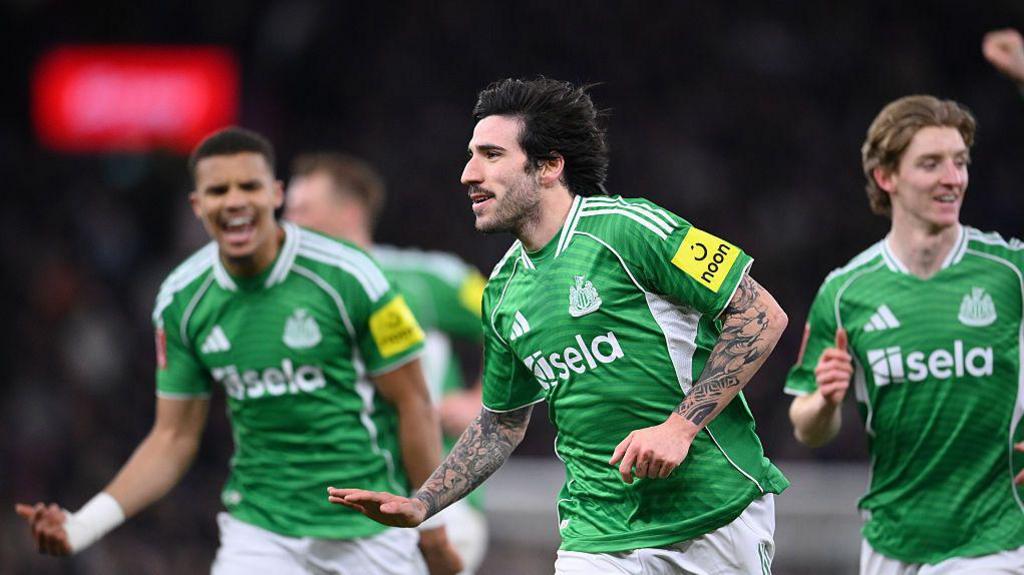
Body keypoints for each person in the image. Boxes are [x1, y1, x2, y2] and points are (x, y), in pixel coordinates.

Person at [328, 77, 790, 574]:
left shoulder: (630, 229)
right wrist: (424, 502)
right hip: (595, 532)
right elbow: (501, 420)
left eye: (491, 155)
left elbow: (761, 314)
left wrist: (678, 429)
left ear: (548, 166)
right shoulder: (503, 289)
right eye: (470, 155)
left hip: (711, 513)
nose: (467, 173)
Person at [14, 127, 462, 575]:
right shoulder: (182, 300)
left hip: (367, 528)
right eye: (218, 190)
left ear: (275, 194)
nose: (234, 201)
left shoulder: (351, 276)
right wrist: (84, 524)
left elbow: (413, 403)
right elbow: (172, 438)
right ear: (197, 205)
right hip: (260, 532)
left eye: (248, 186)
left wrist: (432, 530)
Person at [785, 95, 1024, 573]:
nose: (953, 179)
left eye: (960, 163)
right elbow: (806, 426)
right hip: (892, 542)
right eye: (931, 164)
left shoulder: (1009, 272)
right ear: (886, 177)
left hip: (994, 538)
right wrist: (828, 401)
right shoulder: (846, 291)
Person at [284, 152, 489, 574]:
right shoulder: (285, 300)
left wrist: (483, 400)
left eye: (302, 209)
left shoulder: (430, 278)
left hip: (437, 494)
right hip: (331, 504)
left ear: (350, 211)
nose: (288, 222)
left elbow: (523, 325)